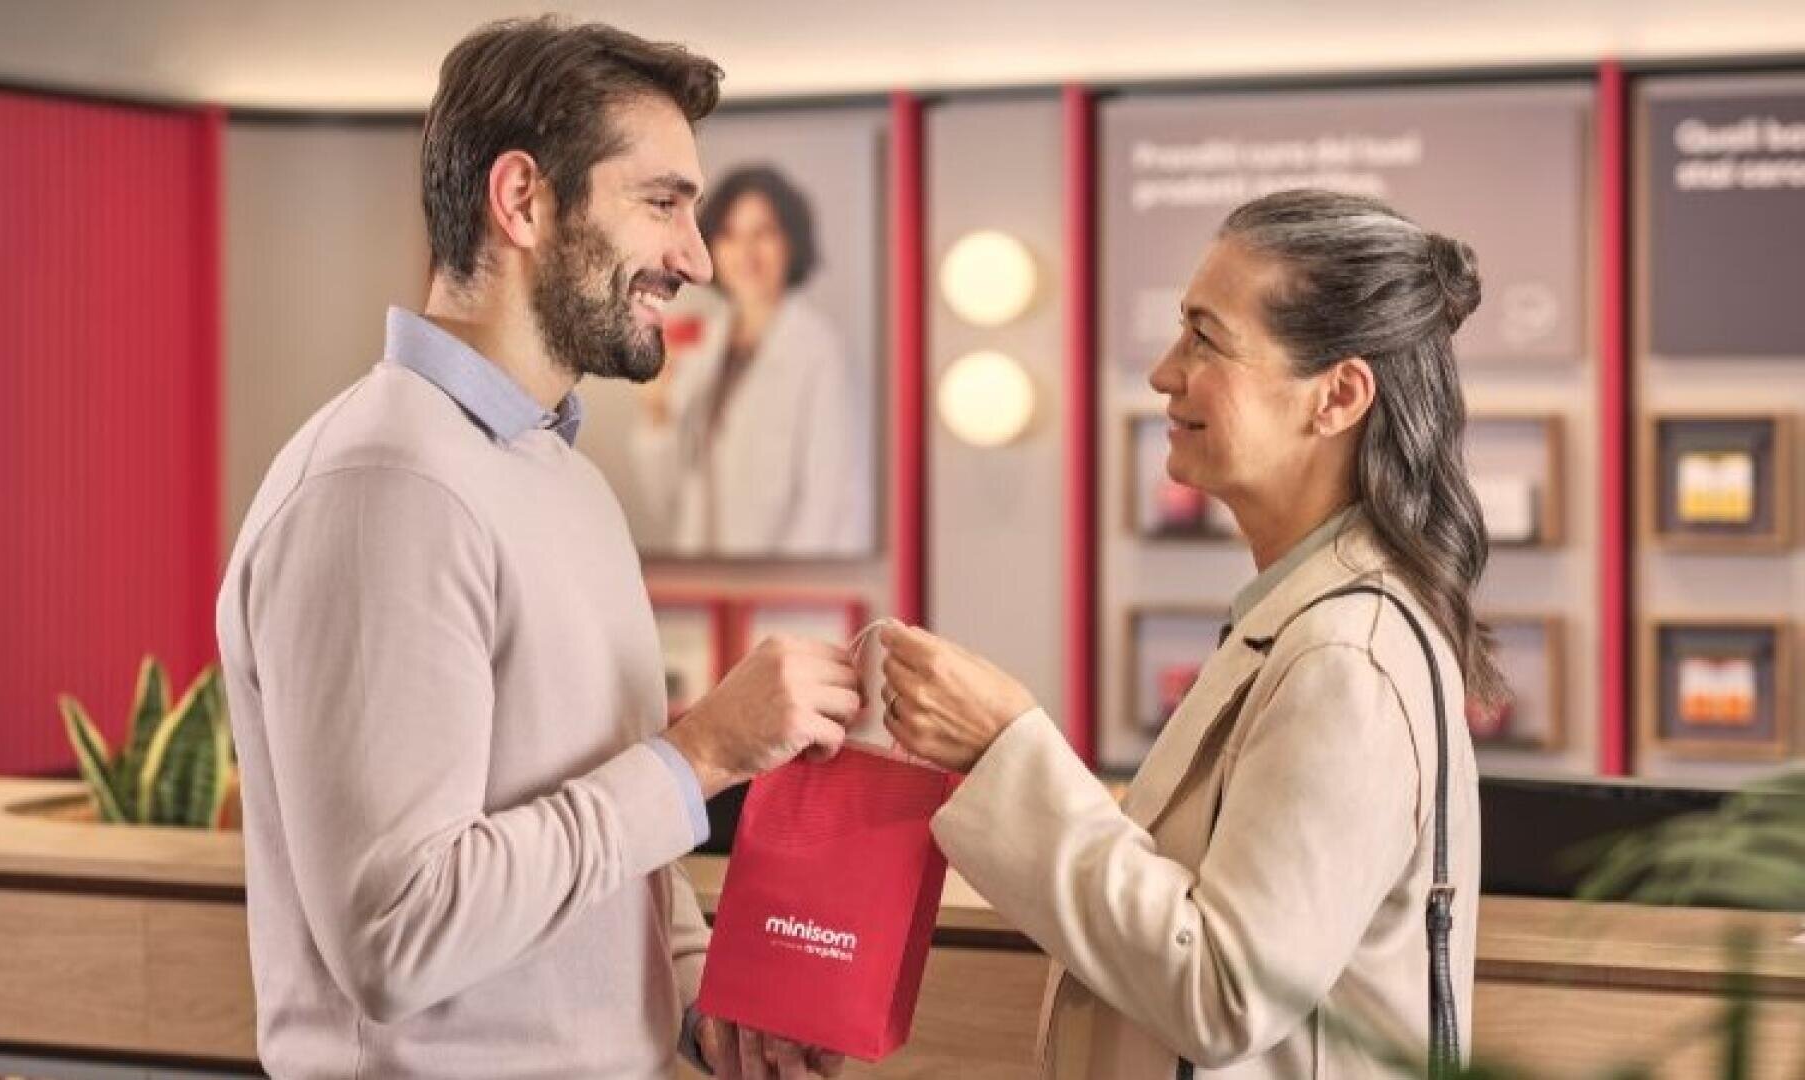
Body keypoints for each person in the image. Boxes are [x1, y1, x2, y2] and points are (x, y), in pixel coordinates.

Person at [216, 18, 853, 1080]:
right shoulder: (388, 485)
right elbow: (398, 935)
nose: (694, 259)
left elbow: (623, 856)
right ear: (522, 201)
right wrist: (702, 758)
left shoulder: (566, 483)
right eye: (662, 204)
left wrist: (708, 1001)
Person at [879, 189, 1492, 1079]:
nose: (1166, 371)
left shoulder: (1343, 657)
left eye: (1206, 339)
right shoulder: (1304, 624)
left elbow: (1226, 992)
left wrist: (1007, 750)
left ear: (1339, 396)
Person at [630, 164, 870, 557]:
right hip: (707, 589)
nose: (746, 253)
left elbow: (830, 501)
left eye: (763, 234)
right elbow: (669, 499)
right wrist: (658, 415)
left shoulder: (821, 353)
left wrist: (780, 595)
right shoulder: (703, 347)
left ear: (791, 242)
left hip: (787, 595)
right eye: (730, 235)